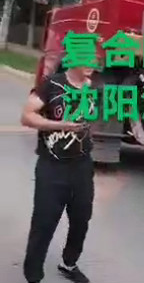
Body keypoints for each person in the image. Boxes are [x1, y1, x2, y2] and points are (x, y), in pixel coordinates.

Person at [21, 66, 96, 283]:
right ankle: (33, 275)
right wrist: (59, 125)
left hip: (82, 166)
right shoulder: (52, 84)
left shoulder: (93, 86)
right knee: (44, 223)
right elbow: (27, 116)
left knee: (81, 220)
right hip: (52, 167)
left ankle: (69, 263)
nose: (92, 63)